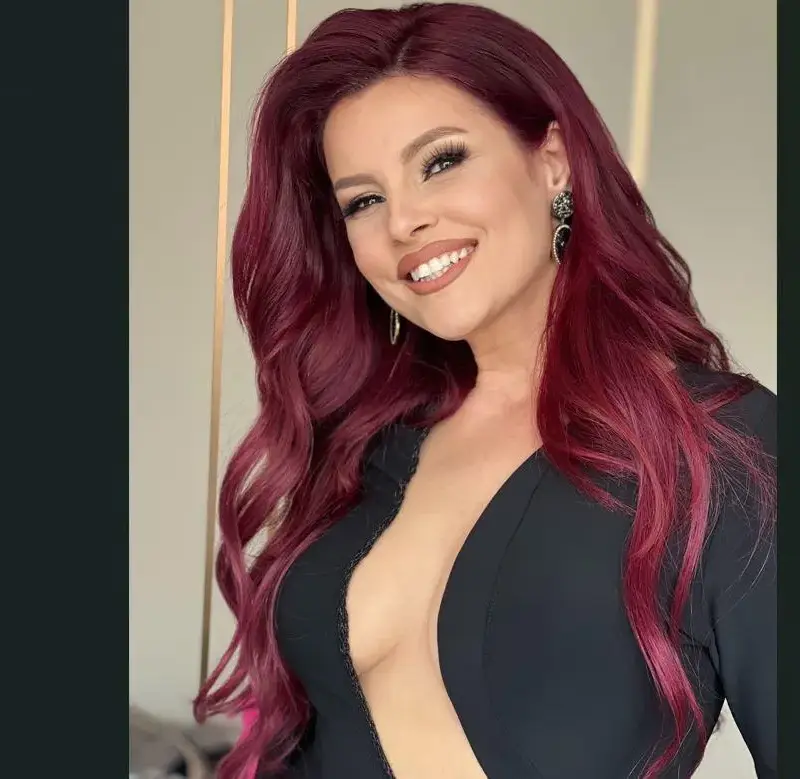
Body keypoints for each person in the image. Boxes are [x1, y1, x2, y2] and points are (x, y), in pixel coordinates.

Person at [194, 3, 777, 778]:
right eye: (363, 200)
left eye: (441, 161)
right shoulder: (367, 452)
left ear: (553, 161)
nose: (404, 220)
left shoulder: (718, 445)